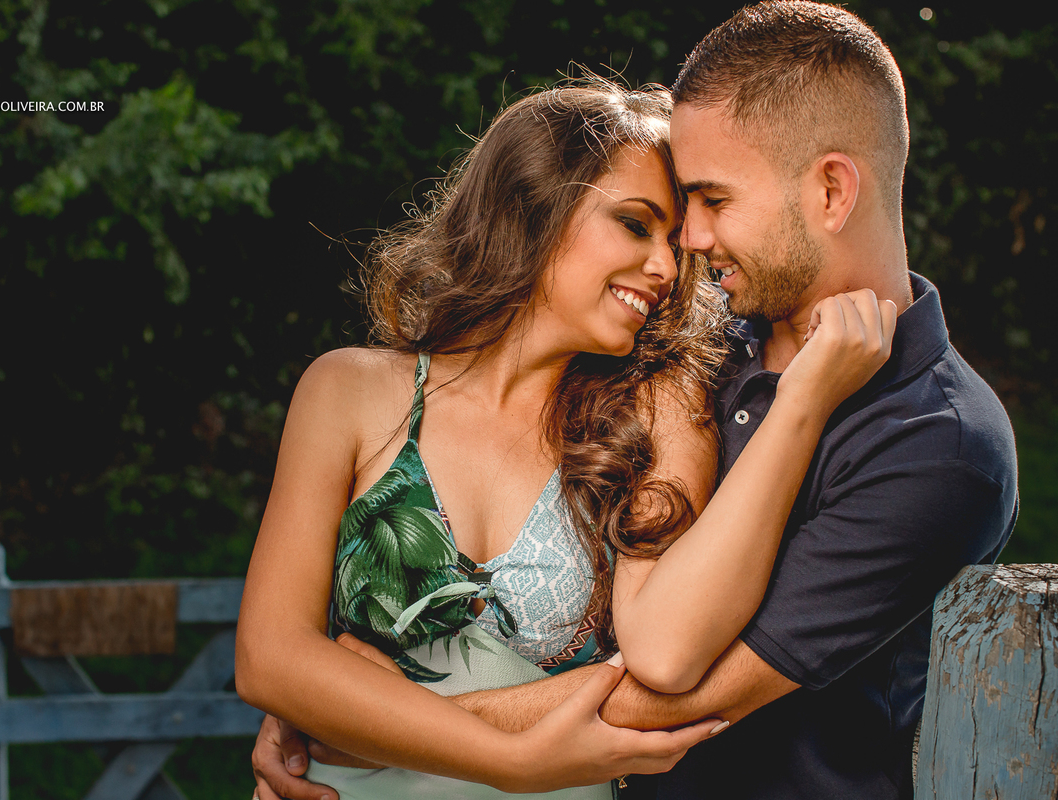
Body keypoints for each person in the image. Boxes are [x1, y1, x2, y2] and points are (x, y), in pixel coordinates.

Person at [251, 4, 1018, 800]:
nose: (684, 245)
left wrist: (361, 725)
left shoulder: (941, 444)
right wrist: (320, 698)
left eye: (710, 202)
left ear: (831, 190)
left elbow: (675, 692)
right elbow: (286, 643)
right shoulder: (684, 359)